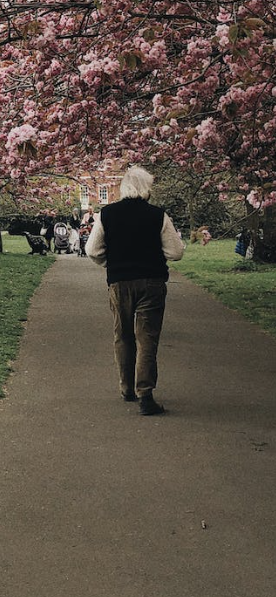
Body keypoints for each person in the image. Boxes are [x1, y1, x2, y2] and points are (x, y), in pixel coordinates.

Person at [85, 166, 184, 416]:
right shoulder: (157, 216)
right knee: (147, 337)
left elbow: (92, 251)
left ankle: (126, 387)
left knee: (123, 335)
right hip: (151, 282)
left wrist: (113, 263)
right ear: (146, 188)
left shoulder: (107, 214)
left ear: (124, 188)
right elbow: (175, 252)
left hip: (120, 283)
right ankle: (146, 395)